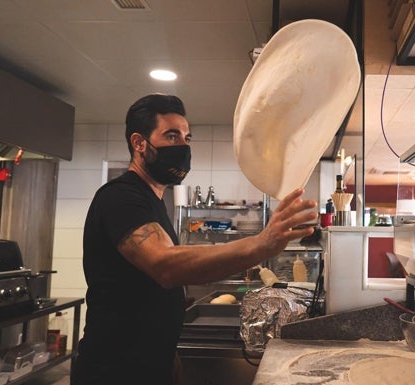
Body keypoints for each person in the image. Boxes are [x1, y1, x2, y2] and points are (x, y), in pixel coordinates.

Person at [70, 94, 317, 385]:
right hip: (113, 372)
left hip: (150, 365)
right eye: (172, 136)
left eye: (187, 138)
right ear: (139, 143)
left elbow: (147, 291)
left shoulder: (152, 202)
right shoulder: (121, 196)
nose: (183, 146)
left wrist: (167, 354)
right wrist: (261, 243)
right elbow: (165, 266)